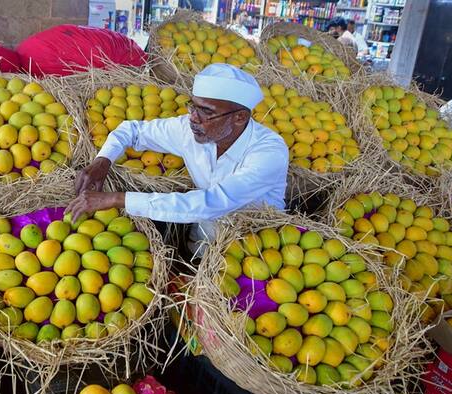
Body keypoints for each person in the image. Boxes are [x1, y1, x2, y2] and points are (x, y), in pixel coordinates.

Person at [66, 64, 289, 256]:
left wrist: (118, 199)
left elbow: (213, 203)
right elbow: (131, 130)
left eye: (206, 111)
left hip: (257, 252)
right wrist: (103, 160)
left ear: (239, 117)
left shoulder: (269, 152)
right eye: (193, 106)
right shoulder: (188, 129)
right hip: (201, 243)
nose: (193, 118)